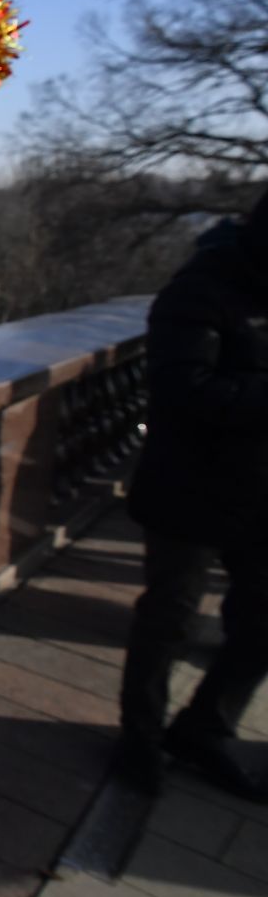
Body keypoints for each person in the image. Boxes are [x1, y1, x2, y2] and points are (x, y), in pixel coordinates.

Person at [116, 189, 268, 800]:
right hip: (191, 485)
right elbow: (182, 390)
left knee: (262, 623)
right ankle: (140, 736)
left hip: (260, 491)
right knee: (170, 617)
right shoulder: (201, 290)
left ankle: (205, 728)